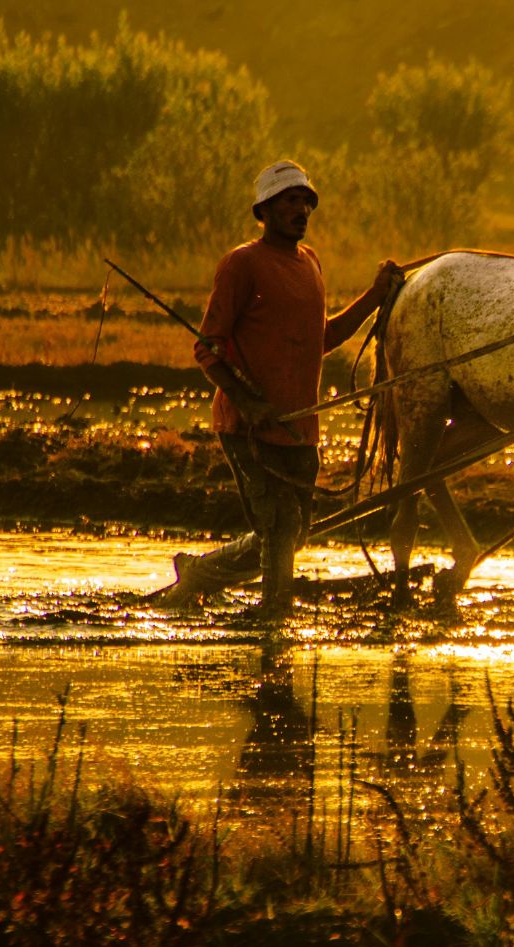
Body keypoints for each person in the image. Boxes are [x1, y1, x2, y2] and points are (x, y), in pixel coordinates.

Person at [162, 160, 401, 617]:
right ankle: (274, 622)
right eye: (290, 201)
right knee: (279, 527)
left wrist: (375, 296)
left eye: (306, 202)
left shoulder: (309, 263)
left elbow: (323, 338)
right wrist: (248, 402)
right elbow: (208, 349)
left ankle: (201, 573)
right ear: (265, 210)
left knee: (290, 533)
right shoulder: (241, 264)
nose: (301, 209)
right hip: (249, 429)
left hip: (299, 428)